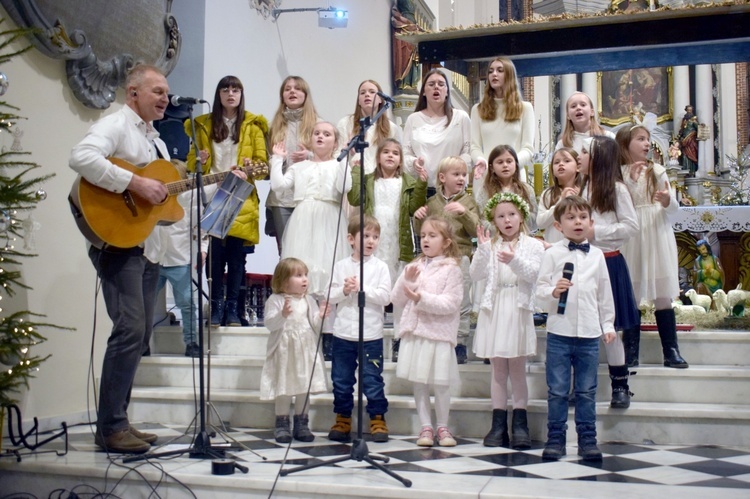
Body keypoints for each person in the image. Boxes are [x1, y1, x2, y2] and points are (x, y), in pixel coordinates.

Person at [69, 64, 170, 453]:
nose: (165, 98)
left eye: (166, 92)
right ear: (133, 93)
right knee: (130, 329)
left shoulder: (155, 140)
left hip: (147, 248)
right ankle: (110, 428)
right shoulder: (117, 124)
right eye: (157, 91)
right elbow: (81, 157)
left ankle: (120, 421)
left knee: (140, 334)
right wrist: (135, 182)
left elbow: (164, 200)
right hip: (117, 246)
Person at [535, 196, 616, 461]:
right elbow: (538, 292)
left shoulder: (598, 256)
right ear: (558, 226)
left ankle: (587, 440)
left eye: (582, 217)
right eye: (570, 217)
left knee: (586, 390)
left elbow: (604, 293)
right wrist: (552, 291)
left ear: (591, 223)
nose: (577, 222)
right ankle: (556, 439)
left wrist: (608, 324)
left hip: (590, 333)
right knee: (557, 390)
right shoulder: (552, 254)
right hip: (559, 331)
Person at [185, 75, 268, 327]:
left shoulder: (253, 126)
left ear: (241, 95)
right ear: (218, 94)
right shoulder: (202, 125)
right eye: (225, 89)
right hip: (212, 192)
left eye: (235, 89)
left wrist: (248, 170)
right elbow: (191, 165)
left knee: (236, 257)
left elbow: (264, 168)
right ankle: (216, 306)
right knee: (214, 256)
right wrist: (199, 158)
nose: (230, 94)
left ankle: (233, 309)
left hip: (240, 194)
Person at [270, 121, 352, 359]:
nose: (321, 137)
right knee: (302, 272)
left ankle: (327, 334)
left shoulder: (338, 165)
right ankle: (303, 330)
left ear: (335, 142)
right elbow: (279, 187)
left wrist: (345, 158)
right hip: (303, 219)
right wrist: (277, 160)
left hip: (329, 217)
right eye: (317, 133)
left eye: (327, 134)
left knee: (328, 273)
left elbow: (345, 186)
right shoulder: (300, 166)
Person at [471, 192, 544, 449]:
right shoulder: (490, 247)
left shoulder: (533, 246)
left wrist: (514, 260)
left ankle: (520, 423)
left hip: (518, 307)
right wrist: (481, 250)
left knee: (517, 369)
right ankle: (498, 424)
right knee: (498, 370)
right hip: (495, 306)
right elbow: (476, 273)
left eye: (512, 214)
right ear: (494, 220)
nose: (507, 220)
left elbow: (534, 274)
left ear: (521, 215)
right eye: (501, 216)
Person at [348, 138, 427, 362]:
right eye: (386, 152)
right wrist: (355, 171)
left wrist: (422, 183)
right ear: (378, 156)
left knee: (400, 292)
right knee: (373, 289)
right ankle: (371, 339)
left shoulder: (407, 181)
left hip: (397, 237)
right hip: (374, 236)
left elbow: (413, 207)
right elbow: (354, 197)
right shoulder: (368, 180)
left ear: (401, 159)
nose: (390, 156)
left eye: (395, 153)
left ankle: (400, 339)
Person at [616, 125, 689, 368]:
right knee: (632, 293)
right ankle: (631, 350)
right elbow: (616, 203)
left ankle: (671, 350)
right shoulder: (618, 173)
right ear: (626, 143)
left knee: (662, 294)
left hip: (656, 233)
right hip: (633, 235)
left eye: (648, 139)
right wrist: (630, 180)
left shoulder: (657, 170)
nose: (647, 144)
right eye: (641, 139)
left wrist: (669, 201)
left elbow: (674, 209)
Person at [391, 215, 463, 447]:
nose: (426, 240)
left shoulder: (452, 270)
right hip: (416, 333)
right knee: (419, 383)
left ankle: (443, 426)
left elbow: (451, 303)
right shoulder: (413, 267)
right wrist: (408, 284)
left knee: (441, 384)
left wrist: (422, 297)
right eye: (423, 235)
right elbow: (396, 299)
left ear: (446, 242)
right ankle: (425, 427)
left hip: (439, 334)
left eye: (432, 235)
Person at [579, 136, 640, 409]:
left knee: (610, 327)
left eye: (584, 153)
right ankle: (581, 385)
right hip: (584, 262)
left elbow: (630, 226)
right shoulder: (583, 188)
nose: (579, 157)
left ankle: (620, 386)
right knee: (583, 326)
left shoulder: (617, 189)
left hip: (609, 262)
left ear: (598, 159)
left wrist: (597, 233)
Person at [325, 215, 392, 443]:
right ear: (351, 239)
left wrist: (363, 288)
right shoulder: (340, 266)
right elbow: (330, 295)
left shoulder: (381, 267)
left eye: (375, 237)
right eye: (366, 236)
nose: (371, 241)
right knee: (341, 380)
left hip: (370, 335)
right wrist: (344, 290)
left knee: (372, 379)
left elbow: (385, 297)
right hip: (343, 334)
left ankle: (377, 418)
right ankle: (343, 418)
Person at [414, 157, 480, 364]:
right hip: (437, 260)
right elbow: (423, 232)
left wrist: (465, 213)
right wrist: (418, 218)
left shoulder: (469, 202)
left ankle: (460, 342)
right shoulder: (433, 203)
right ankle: (439, 338)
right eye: (456, 174)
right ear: (442, 178)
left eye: (464, 175)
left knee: (461, 302)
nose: (461, 178)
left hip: (461, 257)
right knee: (438, 299)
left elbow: (477, 230)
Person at [260, 258, 329, 443]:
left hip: (305, 350)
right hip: (284, 350)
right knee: (284, 386)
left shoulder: (308, 300)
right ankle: (282, 422)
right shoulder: (275, 300)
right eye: (298, 275)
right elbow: (270, 324)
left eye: (305, 275)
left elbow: (314, 324)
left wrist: (321, 316)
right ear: (283, 281)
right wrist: (282, 315)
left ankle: (302, 422)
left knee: (303, 387)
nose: (305, 279)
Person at [154, 162, 209, 358]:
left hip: (179, 259)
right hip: (153, 258)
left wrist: (203, 250)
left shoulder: (191, 203)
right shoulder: (154, 198)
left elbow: (202, 229)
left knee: (186, 302)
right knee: (143, 304)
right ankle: (141, 344)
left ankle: (192, 342)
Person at [267, 76, 320, 254]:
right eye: (287, 89)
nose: (292, 92)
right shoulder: (274, 126)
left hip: (308, 196)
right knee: (286, 251)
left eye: (297, 88)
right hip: (281, 199)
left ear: (305, 95)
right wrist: (275, 159)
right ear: (282, 95)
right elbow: (267, 160)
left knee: (308, 250)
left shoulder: (318, 124)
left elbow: (330, 158)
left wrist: (309, 155)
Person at [403, 68, 471, 196]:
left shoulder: (461, 117)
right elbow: (405, 153)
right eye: (431, 84)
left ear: (447, 91)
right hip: (422, 189)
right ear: (423, 91)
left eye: (441, 84)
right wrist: (414, 162)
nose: (436, 87)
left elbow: (468, 152)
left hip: (452, 189)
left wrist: (453, 169)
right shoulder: (413, 119)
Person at [471, 57, 535, 194]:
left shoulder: (525, 108)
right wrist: (484, 163)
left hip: (514, 178)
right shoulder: (477, 109)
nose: (494, 74)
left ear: (510, 75)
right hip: (486, 176)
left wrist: (510, 165)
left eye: (500, 70)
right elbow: (474, 146)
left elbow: (528, 148)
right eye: (491, 71)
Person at [336, 80, 402, 174]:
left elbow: (398, 157)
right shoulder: (345, 123)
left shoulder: (392, 128)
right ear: (359, 100)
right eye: (362, 93)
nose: (367, 95)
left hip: (379, 179)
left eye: (372, 92)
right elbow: (336, 155)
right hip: (353, 178)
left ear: (380, 99)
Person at [476, 144, 538, 232]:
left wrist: (516, 224)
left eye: (509, 161)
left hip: (521, 236)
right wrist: (501, 229)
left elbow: (534, 217)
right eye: (500, 162)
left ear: (516, 165)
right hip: (495, 238)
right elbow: (482, 220)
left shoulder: (526, 189)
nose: (505, 165)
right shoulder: (484, 191)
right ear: (492, 167)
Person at [537, 147, 582, 244]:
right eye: (556, 162)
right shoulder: (548, 194)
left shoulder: (584, 192)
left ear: (578, 167)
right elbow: (540, 223)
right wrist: (560, 201)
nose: (561, 164)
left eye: (567, 161)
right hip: (554, 248)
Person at [678, 105, 699, 175]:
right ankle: (685, 169)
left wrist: (701, 126)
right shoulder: (684, 120)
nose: (689, 112)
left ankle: (691, 170)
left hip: (691, 139)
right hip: (684, 139)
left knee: (692, 153)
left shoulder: (694, 120)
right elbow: (682, 129)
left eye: (690, 110)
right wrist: (680, 135)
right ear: (686, 110)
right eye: (688, 110)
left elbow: (698, 128)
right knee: (685, 155)